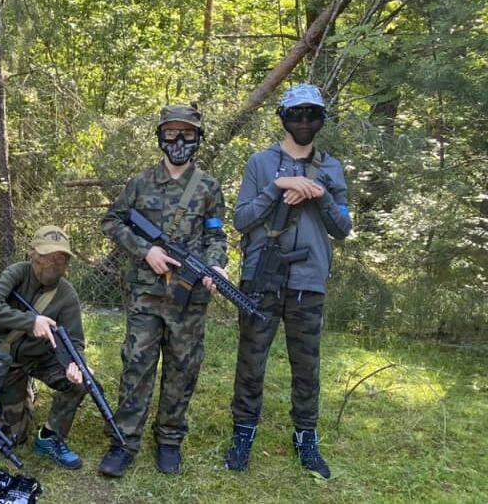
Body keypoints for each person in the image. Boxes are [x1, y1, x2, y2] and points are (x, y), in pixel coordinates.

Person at [223, 83, 352, 479]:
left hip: (308, 281)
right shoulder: (260, 162)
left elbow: (343, 227)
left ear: (321, 120)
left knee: (307, 366)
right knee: (251, 362)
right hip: (261, 277)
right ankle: (243, 434)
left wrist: (318, 194)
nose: (304, 121)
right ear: (283, 117)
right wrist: (278, 187)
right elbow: (241, 219)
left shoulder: (331, 168)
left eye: (312, 114)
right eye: (296, 114)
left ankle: (306, 439)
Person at [97, 104, 228, 476]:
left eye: (187, 133)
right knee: (136, 367)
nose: (179, 141)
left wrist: (216, 266)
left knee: (182, 368)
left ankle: (169, 439)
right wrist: (146, 250)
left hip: (189, 299)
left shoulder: (208, 187)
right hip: (146, 295)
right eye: (171, 133)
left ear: (198, 138)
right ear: (160, 137)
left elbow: (216, 236)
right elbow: (112, 221)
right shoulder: (140, 183)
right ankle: (124, 442)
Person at [0, 226, 88, 470]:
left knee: (82, 382)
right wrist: (30, 321)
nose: (53, 263)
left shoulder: (67, 294)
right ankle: (24, 390)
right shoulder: (17, 273)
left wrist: (75, 364)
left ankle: (49, 437)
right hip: (8, 359)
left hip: (41, 357)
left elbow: (75, 340)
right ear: (33, 253)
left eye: (61, 258)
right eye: (47, 255)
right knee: (13, 438)